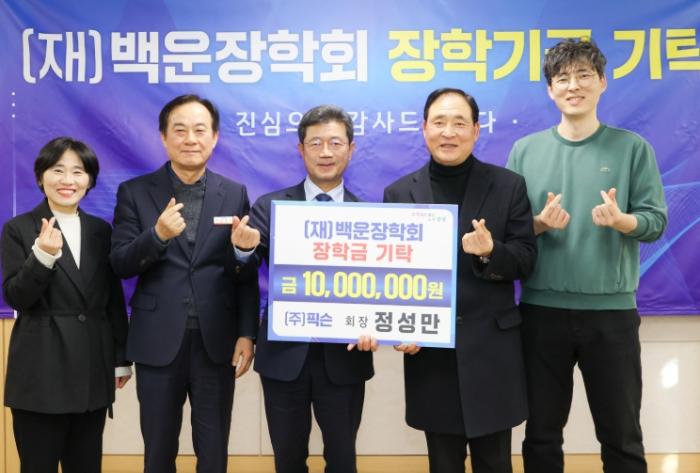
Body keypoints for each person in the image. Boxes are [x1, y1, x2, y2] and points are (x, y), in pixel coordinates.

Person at [506, 38, 668, 473]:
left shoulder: (632, 148)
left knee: (622, 434)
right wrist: (539, 224)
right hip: (541, 312)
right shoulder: (524, 151)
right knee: (541, 432)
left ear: (602, 82)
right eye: (562, 78)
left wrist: (622, 220)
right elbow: (510, 231)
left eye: (583, 75)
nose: (573, 86)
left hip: (611, 315)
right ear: (550, 89)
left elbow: (655, 221)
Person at [383, 88, 537, 473]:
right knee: (443, 463)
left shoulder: (509, 185)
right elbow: (391, 275)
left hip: (492, 350)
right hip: (431, 354)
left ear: (476, 130)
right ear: (424, 128)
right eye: (439, 122)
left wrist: (490, 251)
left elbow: (526, 259)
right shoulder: (399, 193)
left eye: (459, 123)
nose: (448, 132)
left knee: (495, 463)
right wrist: (401, 325)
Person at [110, 94, 260, 473]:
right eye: (180, 130)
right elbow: (120, 263)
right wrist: (157, 235)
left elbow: (242, 275)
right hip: (157, 340)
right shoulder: (135, 192)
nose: (190, 139)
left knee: (214, 451)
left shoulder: (234, 193)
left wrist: (247, 332)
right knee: (158, 451)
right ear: (164, 137)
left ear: (214, 137)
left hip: (217, 341)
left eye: (199, 130)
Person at [246, 105, 375, 473]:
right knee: (287, 461)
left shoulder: (372, 217)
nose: (326, 152)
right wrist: (241, 249)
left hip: (345, 358)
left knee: (343, 461)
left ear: (351, 149)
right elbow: (243, 272)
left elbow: (379, 289)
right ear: (301, 150)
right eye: (315, 143)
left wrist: (375, 324)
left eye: (335, 143)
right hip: (284, 358)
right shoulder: (270, 207)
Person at [1, 137, 130, 472]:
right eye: (58, 170)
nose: (68, 180)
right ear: (40, 176)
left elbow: (113, 300)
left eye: (78, 171)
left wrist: (120, 359)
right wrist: (42, 257)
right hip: (41, 371)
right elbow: (17, 296)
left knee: (85, 465)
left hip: (92, 368)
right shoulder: (19, 228)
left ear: (89, 180)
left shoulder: (101, 231)